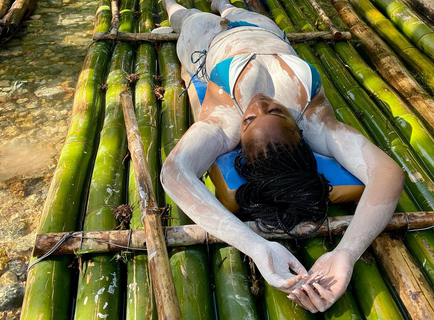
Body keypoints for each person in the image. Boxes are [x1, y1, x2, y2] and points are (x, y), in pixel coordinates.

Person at [160, 0, 404, 313]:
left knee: (189, 17)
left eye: (251, 119)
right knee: (231, 9)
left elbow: (174, 173)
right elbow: (388, 174)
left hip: (209, 45)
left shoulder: (223, 119)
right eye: (275, 111)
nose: (260, 104)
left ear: (239, 137)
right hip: (268, 33)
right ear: (299, 129)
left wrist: (257, 247)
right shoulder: (314, 119)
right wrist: (346, 252)